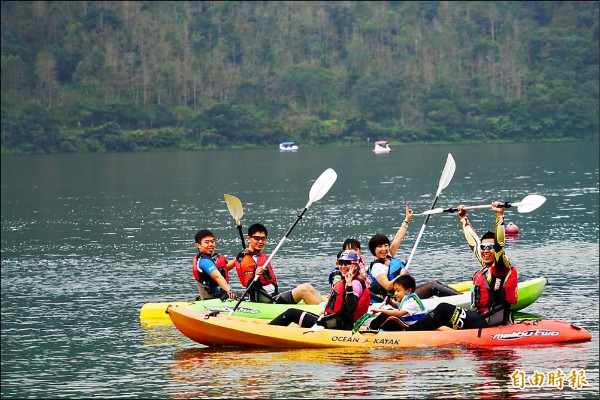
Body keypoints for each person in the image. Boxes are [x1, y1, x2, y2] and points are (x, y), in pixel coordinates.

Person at [406, 201, 518, 331]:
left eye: (490, 247)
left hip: (491, 321)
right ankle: (414, 332)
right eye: (483, 247)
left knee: (443, 308)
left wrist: (499, 215)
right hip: (482, 316)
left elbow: (500, 246)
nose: (485, 250)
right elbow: (474, 243)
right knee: (443, 318)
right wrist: (463, 218)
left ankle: (407, 333)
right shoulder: (486, 265)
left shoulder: (500, 267)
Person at [269, 250, 371, 330]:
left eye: (347, 263)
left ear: (355, 265)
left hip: (336, 326)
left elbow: (351, 307)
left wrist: (349, 285)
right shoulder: (350, 280)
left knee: (291, 313)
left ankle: (267, 331)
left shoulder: (354, 283)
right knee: (295, 313)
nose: (343, 266)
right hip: (334, 321)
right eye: (341, 263)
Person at [235, 223, 325, 305]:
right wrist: (256, 274)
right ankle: (325, 314)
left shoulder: (260, 256)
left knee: (307, 286)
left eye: (263, 238)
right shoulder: (246, 259)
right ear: (249, 239)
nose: (260, 241)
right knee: (303, 290)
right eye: (257, 238)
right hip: (267, 301)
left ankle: (328, 309)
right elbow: (249, 287)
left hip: (274, 295)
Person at [367, 204, 413, 301]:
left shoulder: (388, 256)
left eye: (386, 245)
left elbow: (397, 239)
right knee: (433, 287)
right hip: (396, 299)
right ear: (373, 250)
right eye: (379, 246)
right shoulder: (377, 267)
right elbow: (388, 286)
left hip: (406, 293)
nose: (384, 249)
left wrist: (407, 220)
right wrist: (401, 276)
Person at [192, 229, 238, 300]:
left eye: (212, 241)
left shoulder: (209, 259)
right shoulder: (204, 261)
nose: (210, 244)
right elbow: (217, 276)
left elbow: (224, 269)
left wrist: (238, 259)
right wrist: (230, 291)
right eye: (206, 242)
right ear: (198, 245)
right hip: (213, 300)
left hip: (220, 296)